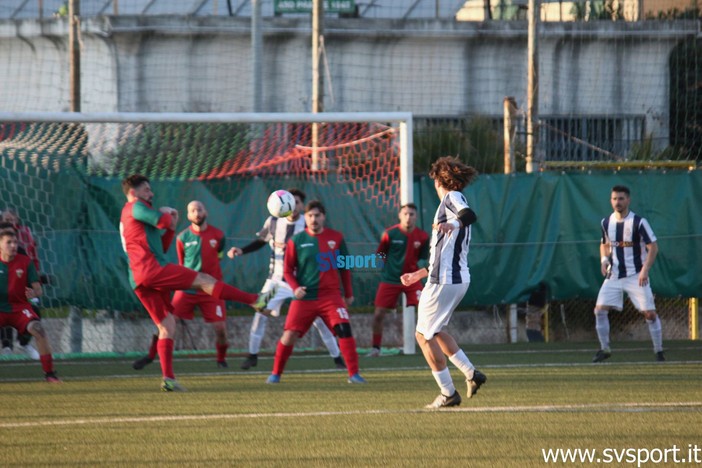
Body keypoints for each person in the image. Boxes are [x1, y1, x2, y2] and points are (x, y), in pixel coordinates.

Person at [120, 174, 273, 392]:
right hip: (151, 270)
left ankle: (168, 379)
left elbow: (161, 246)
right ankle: (254, 300)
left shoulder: (135, 218)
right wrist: (165, 214)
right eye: (146, 189)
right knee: (205, 280)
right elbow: (161, 220)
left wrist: (171, 227)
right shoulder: (135, 206)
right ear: (133, 192)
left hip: (138, 278)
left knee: (167, 326)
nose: (151, 193)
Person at [401, 156, 486, 409]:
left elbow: (469, 216)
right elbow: (443, 252)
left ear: (439, 179)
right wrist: (418, 274)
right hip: (454, 278)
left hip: (446, 280)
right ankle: (471, 373)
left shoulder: (452, 198)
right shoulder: (447, 206)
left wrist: (453, 222)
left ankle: (448, 392)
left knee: (422, 336)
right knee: (435, 331)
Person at [228, 189, 345, 371]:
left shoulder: (308, 226)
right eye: (291, 201)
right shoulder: (273, 221)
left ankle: (337, 357)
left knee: (320, 321)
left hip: (302, 283)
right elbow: (261, 241)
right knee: (260, 313)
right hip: (276, 282)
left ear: (301, 206)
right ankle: (252, 355)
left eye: (297, 202)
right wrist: (242, 250)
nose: (293, 205)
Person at [265, 200, 365, 384]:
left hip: (331, 296)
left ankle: (354, 374)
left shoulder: (336, 237)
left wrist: (348, 293)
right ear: (306, 217)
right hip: (305, 298)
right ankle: (275, 374)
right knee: (289, 335)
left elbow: (345, 267)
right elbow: (287, 270)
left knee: (344, 328)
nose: (313, 219)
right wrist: (296, 288)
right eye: (310, 215)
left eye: (317, 215)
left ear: (323, 217)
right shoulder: (297, 241)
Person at [132, 200, 233, 370]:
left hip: (211, 288)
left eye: (199, 209)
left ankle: (221, 359)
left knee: (220, 328)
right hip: (188, 288)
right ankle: (150, 355)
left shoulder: (219, 235)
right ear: (188, 215)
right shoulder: (182, 237)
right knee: (166, 322)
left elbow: (220, 256)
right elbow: (181, 262)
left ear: (206, 212)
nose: (197, 213)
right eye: (192, 210)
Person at [592, 185, 664, 363]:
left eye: (621, 198)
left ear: (628, 200)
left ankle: (659, 351)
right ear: (611, 201)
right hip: (614, 275)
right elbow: (605, 244)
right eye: (615, 199)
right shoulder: (606, 222)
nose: (618, 202)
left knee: (650, 314)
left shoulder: (639, 222)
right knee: (599, 310)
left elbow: (653, 247)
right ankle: (605, 348)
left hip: (636, 275)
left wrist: (645, 270)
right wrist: (604, 260)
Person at [367, 203, 429, 357]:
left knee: (427, 311)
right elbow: (380, 254)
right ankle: (375, 348)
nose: (408, 217)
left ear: (416, 217)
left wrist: (418, 269)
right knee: (379, 314)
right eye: (405, 214)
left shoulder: (423, 236)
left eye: (412, 214)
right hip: (390, 280)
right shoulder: (390, 234)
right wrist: (387, 271)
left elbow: (423, 258)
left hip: (413, 280)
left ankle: (430, 345)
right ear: (400, 216)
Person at [0, 227, 60, 382]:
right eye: (9, 242)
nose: (13, 245)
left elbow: (38, 289)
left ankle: (50, 374)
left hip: (20, 308)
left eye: (15, 242)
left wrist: (34, 293)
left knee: (39, 330)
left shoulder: (26, 262)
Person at [0, 209, 41, 361]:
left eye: (12, 221)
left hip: (20, 293)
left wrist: (32, 291)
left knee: (35, 308)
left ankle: (24, 343)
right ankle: (6, 346)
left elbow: (30, 273)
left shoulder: (22, 252)